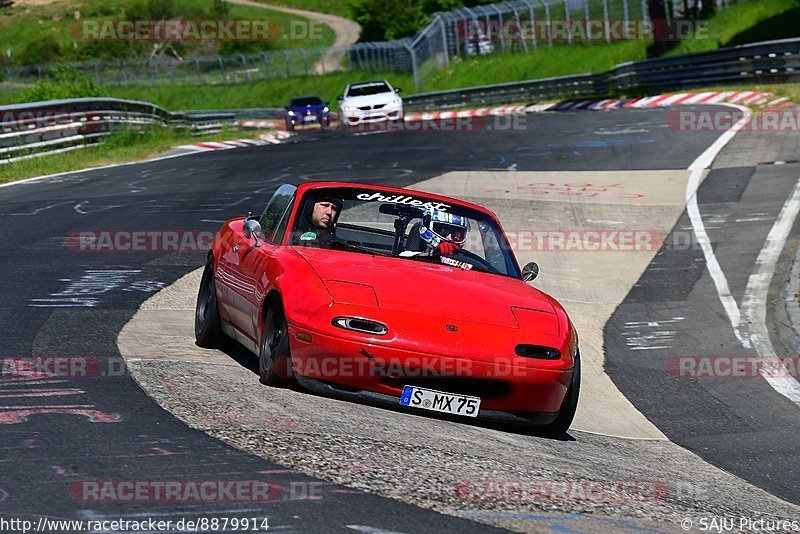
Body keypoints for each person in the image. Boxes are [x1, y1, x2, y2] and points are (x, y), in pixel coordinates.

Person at [402, 208, 468, 257]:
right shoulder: (406, 256)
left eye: (456, 234)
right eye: (444, 231)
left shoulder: (464, 261)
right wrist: (431, 255)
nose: (449, 238)